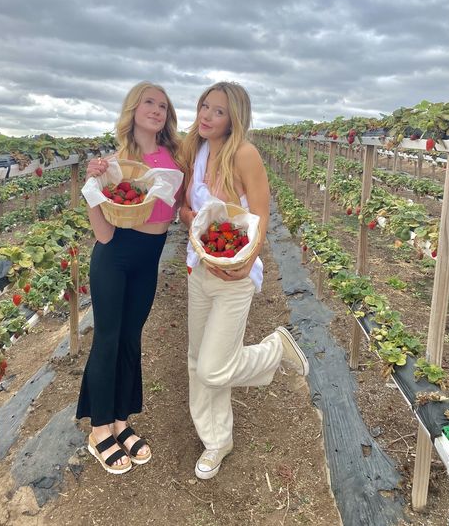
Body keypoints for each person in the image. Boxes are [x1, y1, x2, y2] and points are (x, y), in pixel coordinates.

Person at [180, 81, 309, 480]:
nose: (207, 115)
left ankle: (275, 351)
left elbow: (261, 216)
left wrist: (244, 260)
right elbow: (185, 208)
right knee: (196, 361)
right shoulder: (194, 150)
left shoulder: (245, 154)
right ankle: (217, 440)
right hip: (199, 267)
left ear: (234, 117)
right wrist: (198, 226)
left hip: (235, 274)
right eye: (204, 106)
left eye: (218, 111)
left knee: (213, 368)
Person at [76, 81, 183, 474]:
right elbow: (103, 233)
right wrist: (94, 184)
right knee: (107, 337)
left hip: (149, 257)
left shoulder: (175, 155)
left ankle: (121, 420)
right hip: (116, 255)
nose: (156, 109)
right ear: (133, 109)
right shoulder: (115, 162)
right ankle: (99, 429)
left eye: (163, 105)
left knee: (130, 337)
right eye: (148, 103)